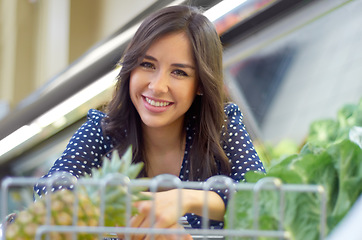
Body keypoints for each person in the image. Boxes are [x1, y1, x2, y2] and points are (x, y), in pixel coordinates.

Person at [34, 4, 265, 239]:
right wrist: (142, 218)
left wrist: (186, 198)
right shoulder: (101, 131)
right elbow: (50, 191)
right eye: (147, 65)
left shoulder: (223, 129)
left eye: (179, 72)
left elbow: (264, 200)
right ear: (130, 69)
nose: (157, 86)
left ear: (200, 85)